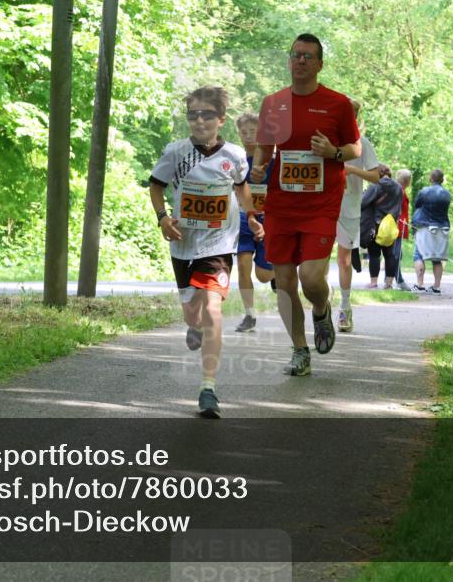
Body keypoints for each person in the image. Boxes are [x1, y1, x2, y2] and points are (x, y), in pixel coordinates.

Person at [250, 33, 362, 377]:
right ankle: (300, 350)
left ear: (319, 64)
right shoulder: (273, 103)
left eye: (308, 56)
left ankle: (322, 307)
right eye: (295, 55)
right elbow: (264, 147)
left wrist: (334, 153)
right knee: (284, 284)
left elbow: (355, 149)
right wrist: (257, 166)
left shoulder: (337, 104)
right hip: (282, 204)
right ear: (289, 61)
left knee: (311, 278)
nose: (300, 61)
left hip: (321, 203)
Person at [149, 86, 263, 418]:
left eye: (206, 114)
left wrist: (253, 218)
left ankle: (208, 387)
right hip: (183, 242)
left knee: (213, 307)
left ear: (220, 119)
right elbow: (156, 186)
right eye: (193, 114)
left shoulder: (235, 156)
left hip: (219, 244)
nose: (199, 121)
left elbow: (241, 188)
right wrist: (162, 219)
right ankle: (193, 325)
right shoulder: (176, 152)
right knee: (192, 313)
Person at [334, 99, 380, 332]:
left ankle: (344, 307)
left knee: (343, 260)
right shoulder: (327, 141)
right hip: (322, 207)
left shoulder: (362, 144)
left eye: (350, 115)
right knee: (316, 262)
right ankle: (321, 305)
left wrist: (351, 170)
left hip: (349, 208)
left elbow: (375, 177)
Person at [234, 111, 274, 333]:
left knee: (263, 275)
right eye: (244, 131)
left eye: (253, 131)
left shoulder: (271, 159)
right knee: (242, 266)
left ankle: (279, 273)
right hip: (242, 219)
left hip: (268, 220)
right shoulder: (235, 159)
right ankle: (249, 315)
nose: (248, 136)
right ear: (238, 133)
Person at [355, 164, 403, 290]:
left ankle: (374, 282)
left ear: (379, 173)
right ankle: (388, 284)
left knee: (375, 254)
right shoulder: (398, 187)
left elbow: (363, 203)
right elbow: (399, 207)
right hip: (391, 225)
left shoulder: (376, 185)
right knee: (389, 254)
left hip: (376, 224)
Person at [412, 169, 451, 294]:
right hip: (442, 227)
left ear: (431, 179)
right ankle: (436, 286)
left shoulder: (424, 191)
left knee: (419, 255)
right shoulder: (447, 194)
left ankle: (420, 284)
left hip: (425, 226)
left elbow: (417, 204)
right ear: (442, 180)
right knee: (437, 258)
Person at [393, 169, 413, 291]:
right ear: (406, 180)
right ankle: (399, 280)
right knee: (396, 254)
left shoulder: (400, 190)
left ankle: (391, 279)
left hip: (399, 226)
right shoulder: (399, 191)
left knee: (396, 254)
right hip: (397, 226)